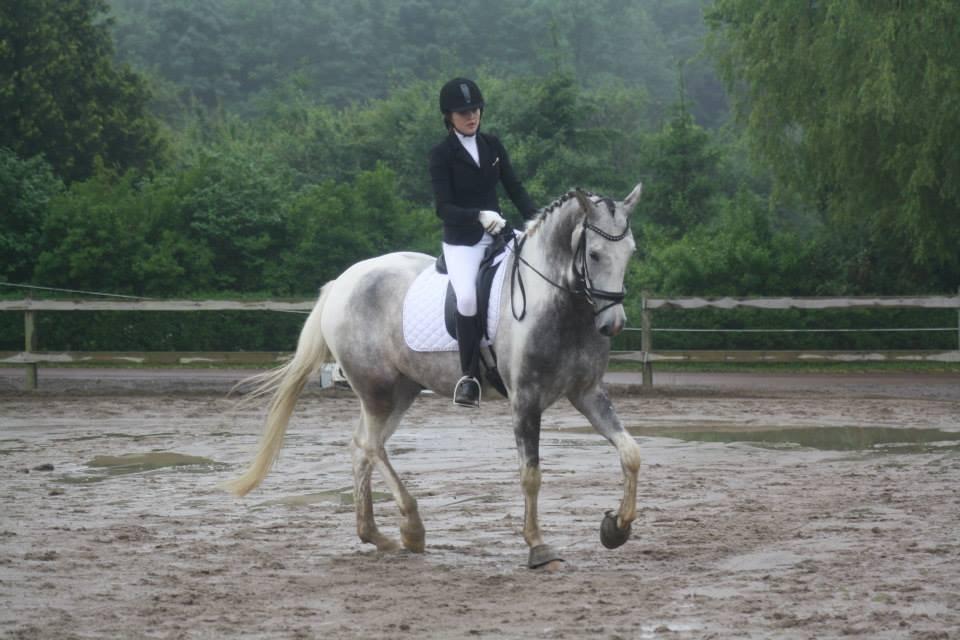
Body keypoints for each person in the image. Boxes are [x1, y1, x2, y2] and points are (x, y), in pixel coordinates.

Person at [429, 77, 538, 408]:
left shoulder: (492, 145)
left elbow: (515, 187)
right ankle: (469, 377)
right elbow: (443, 207)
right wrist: (478, 215)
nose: (471, 116)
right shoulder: (441, 154)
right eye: (463, 113)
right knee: (466, 299)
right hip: (463, 241)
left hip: (500, 234)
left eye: (475, 110)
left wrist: (537, 221)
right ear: (449, 116)